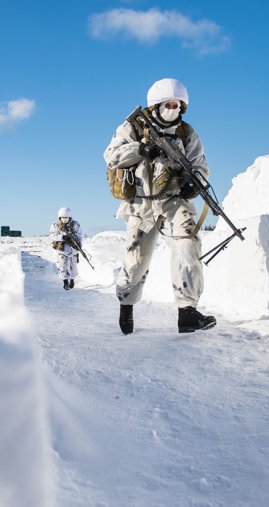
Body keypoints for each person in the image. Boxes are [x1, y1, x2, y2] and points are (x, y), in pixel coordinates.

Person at [103, 78, 217, 335]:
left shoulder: (186, 133)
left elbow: (199, 164)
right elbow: (111, 156)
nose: (173, 108)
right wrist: (141, 150)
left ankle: (187, 312)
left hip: (174, 201)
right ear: (155, 105)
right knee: (136, 261)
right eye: (168, 103)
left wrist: (195, 184)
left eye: (177, 104)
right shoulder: (133, 126)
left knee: (188, 245)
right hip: (141, 202)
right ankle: (126, 304)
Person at [49, 207, 84, 290]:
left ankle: (72, 280)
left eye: (66, 218)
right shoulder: (55, 225)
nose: (64, 219)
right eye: (63, 218)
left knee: (73, 267)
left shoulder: (75, 224)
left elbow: (80, 235)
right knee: (62, 266)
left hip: (73, 250)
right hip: (62, 250)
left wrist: (78, 245)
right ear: (59, 218)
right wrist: (63, 237)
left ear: (69, 217)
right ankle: (65, 282)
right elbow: (52, 236)